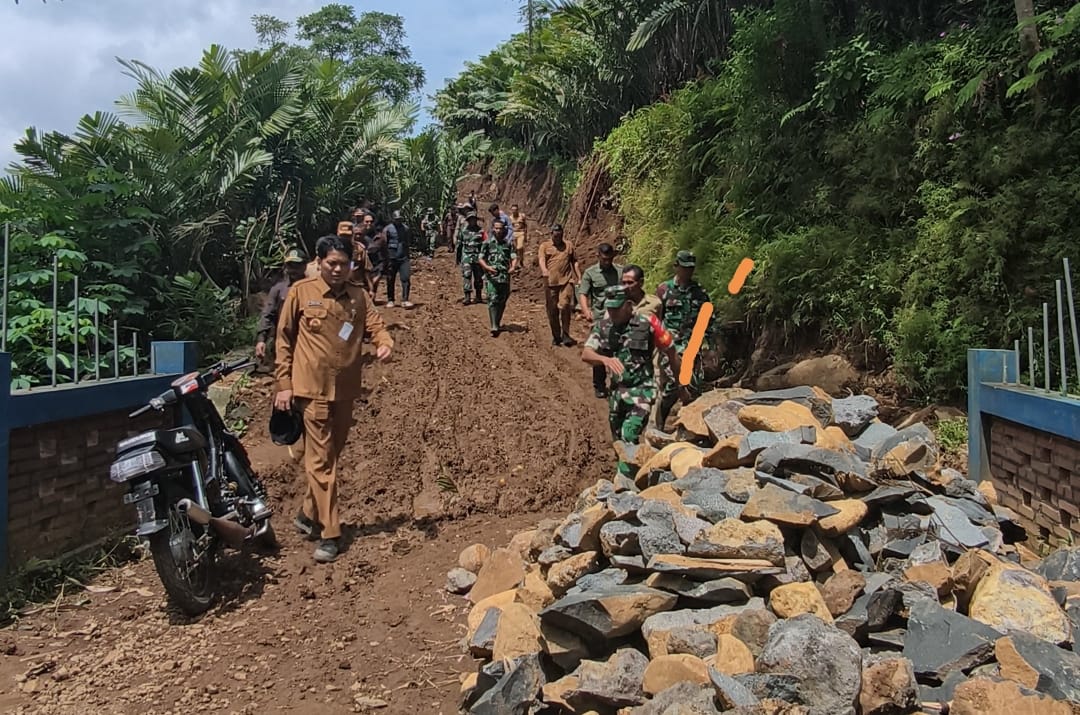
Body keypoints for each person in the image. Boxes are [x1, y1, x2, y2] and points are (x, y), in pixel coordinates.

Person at [274, 234, 393, 563]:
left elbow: (376, 326)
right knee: (321, 462)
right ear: (319, 262)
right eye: (332, 264)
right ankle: (330, 533)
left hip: (345, 391)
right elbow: (283, 339)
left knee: (331, 456)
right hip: (310, 390)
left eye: (344, 264)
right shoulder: (301, 292)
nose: (338, 269)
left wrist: (384, 343)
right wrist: (283, 384)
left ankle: (307, 512)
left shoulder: (358, 296)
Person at [581, 285, 681, 478]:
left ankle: (626, 484)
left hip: (642, 391)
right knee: (618, 440)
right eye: (609, 308)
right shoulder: (604, 326)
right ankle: (630, 474)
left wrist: (680, 384)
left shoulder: (648, 323)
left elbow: (670, 350)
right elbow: (586, 353)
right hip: (617, 394)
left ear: (628, 305)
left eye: (616, 309)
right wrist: (604, 360)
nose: (612, 313)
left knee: (629, 433)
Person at [655, 250, 716, 429]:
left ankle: (689, 427)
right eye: (684, 268)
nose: (688, 271)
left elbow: (708, 319)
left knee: (693, 386)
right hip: (671, 346)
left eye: (691, 268)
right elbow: (656, 319)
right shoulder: (664, 290)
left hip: (692, 345)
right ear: (677, 267)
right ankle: (659, 424)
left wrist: (711, 345)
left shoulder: (699, 292)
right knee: (673, 385)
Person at [577, 243, 624, 398]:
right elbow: (583, 293)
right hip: (599, 318)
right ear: (598, 256)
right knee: (599, 351)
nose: (607, 262)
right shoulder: (590, 273)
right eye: (604, 259)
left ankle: (618, 384)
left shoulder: (620, 272)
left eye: (610, 259)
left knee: (618, 350)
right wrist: (586, 310)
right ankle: (599, 385)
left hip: (618, 317)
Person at [254, 247, 308, 369]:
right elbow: (268, 314)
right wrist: (261, 340)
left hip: (308, 342)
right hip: (284, 341)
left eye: (297, 265)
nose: (293, 270)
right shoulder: (278, 290)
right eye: (290, 265)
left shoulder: (314, 289)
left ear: (305, 266)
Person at [538, 223, 581, 346]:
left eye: (560, 235)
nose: (558, 238)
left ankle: (566, 334)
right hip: (551, 283)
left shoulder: (568, 245)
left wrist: (579, 276)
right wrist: (544, 270)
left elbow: (575, 261)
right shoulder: (545, 246)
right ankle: (556, 335)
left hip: (566, 281)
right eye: (555, 235)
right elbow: (541, 259)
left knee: (565, 305)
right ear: (551, 234)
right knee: (552, 310)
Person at [478, 219, 518, 336]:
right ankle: (494, 325)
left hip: (504, 276)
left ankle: (497, 322)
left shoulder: (508, 244)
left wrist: (513, 267)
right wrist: (487, 267)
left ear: (504, 229)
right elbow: (480, 258)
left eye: (500, 228)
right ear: (493, 229)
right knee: (492, 299)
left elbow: (514, 257)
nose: (498, 230)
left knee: (502, 300)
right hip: (492, 276)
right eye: (496, 228)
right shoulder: (487, 243)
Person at [383, 210, 413, 309]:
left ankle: (405, 300)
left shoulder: (406, 229)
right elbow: (384, 243)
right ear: (393, 219)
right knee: (390, 279)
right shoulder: (387, 229)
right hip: (391, 257)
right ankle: (390, 300)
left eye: (400, 219)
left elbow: (407, 242)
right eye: (396, 219)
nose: (398, 221)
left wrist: (408, 256)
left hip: (403, 257)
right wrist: (386, 258)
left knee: (405, 278)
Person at [458, 211, 486, 305]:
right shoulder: (463, 230)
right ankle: (467, 297)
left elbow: (485, 244)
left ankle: (478, 296)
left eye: (473, 219)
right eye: (470, 219)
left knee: (478, 277)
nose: (472, 221)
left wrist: (485, 257)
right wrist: (458, 257)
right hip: (466, 256)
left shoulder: (481, 231)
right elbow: (459, 244)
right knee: (467, 275)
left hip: (478, 257)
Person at [509, 203, 528, 272]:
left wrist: (525, 235)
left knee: (519, 247)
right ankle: (515, 264)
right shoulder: (510, 218)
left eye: (515, 210)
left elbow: (525, 226)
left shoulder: (522, 216)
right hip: (513, 234)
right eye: (513, 210)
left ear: (518, 210)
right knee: (514, 250)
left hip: (521, 233)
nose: (514, 211)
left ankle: (521, 260)